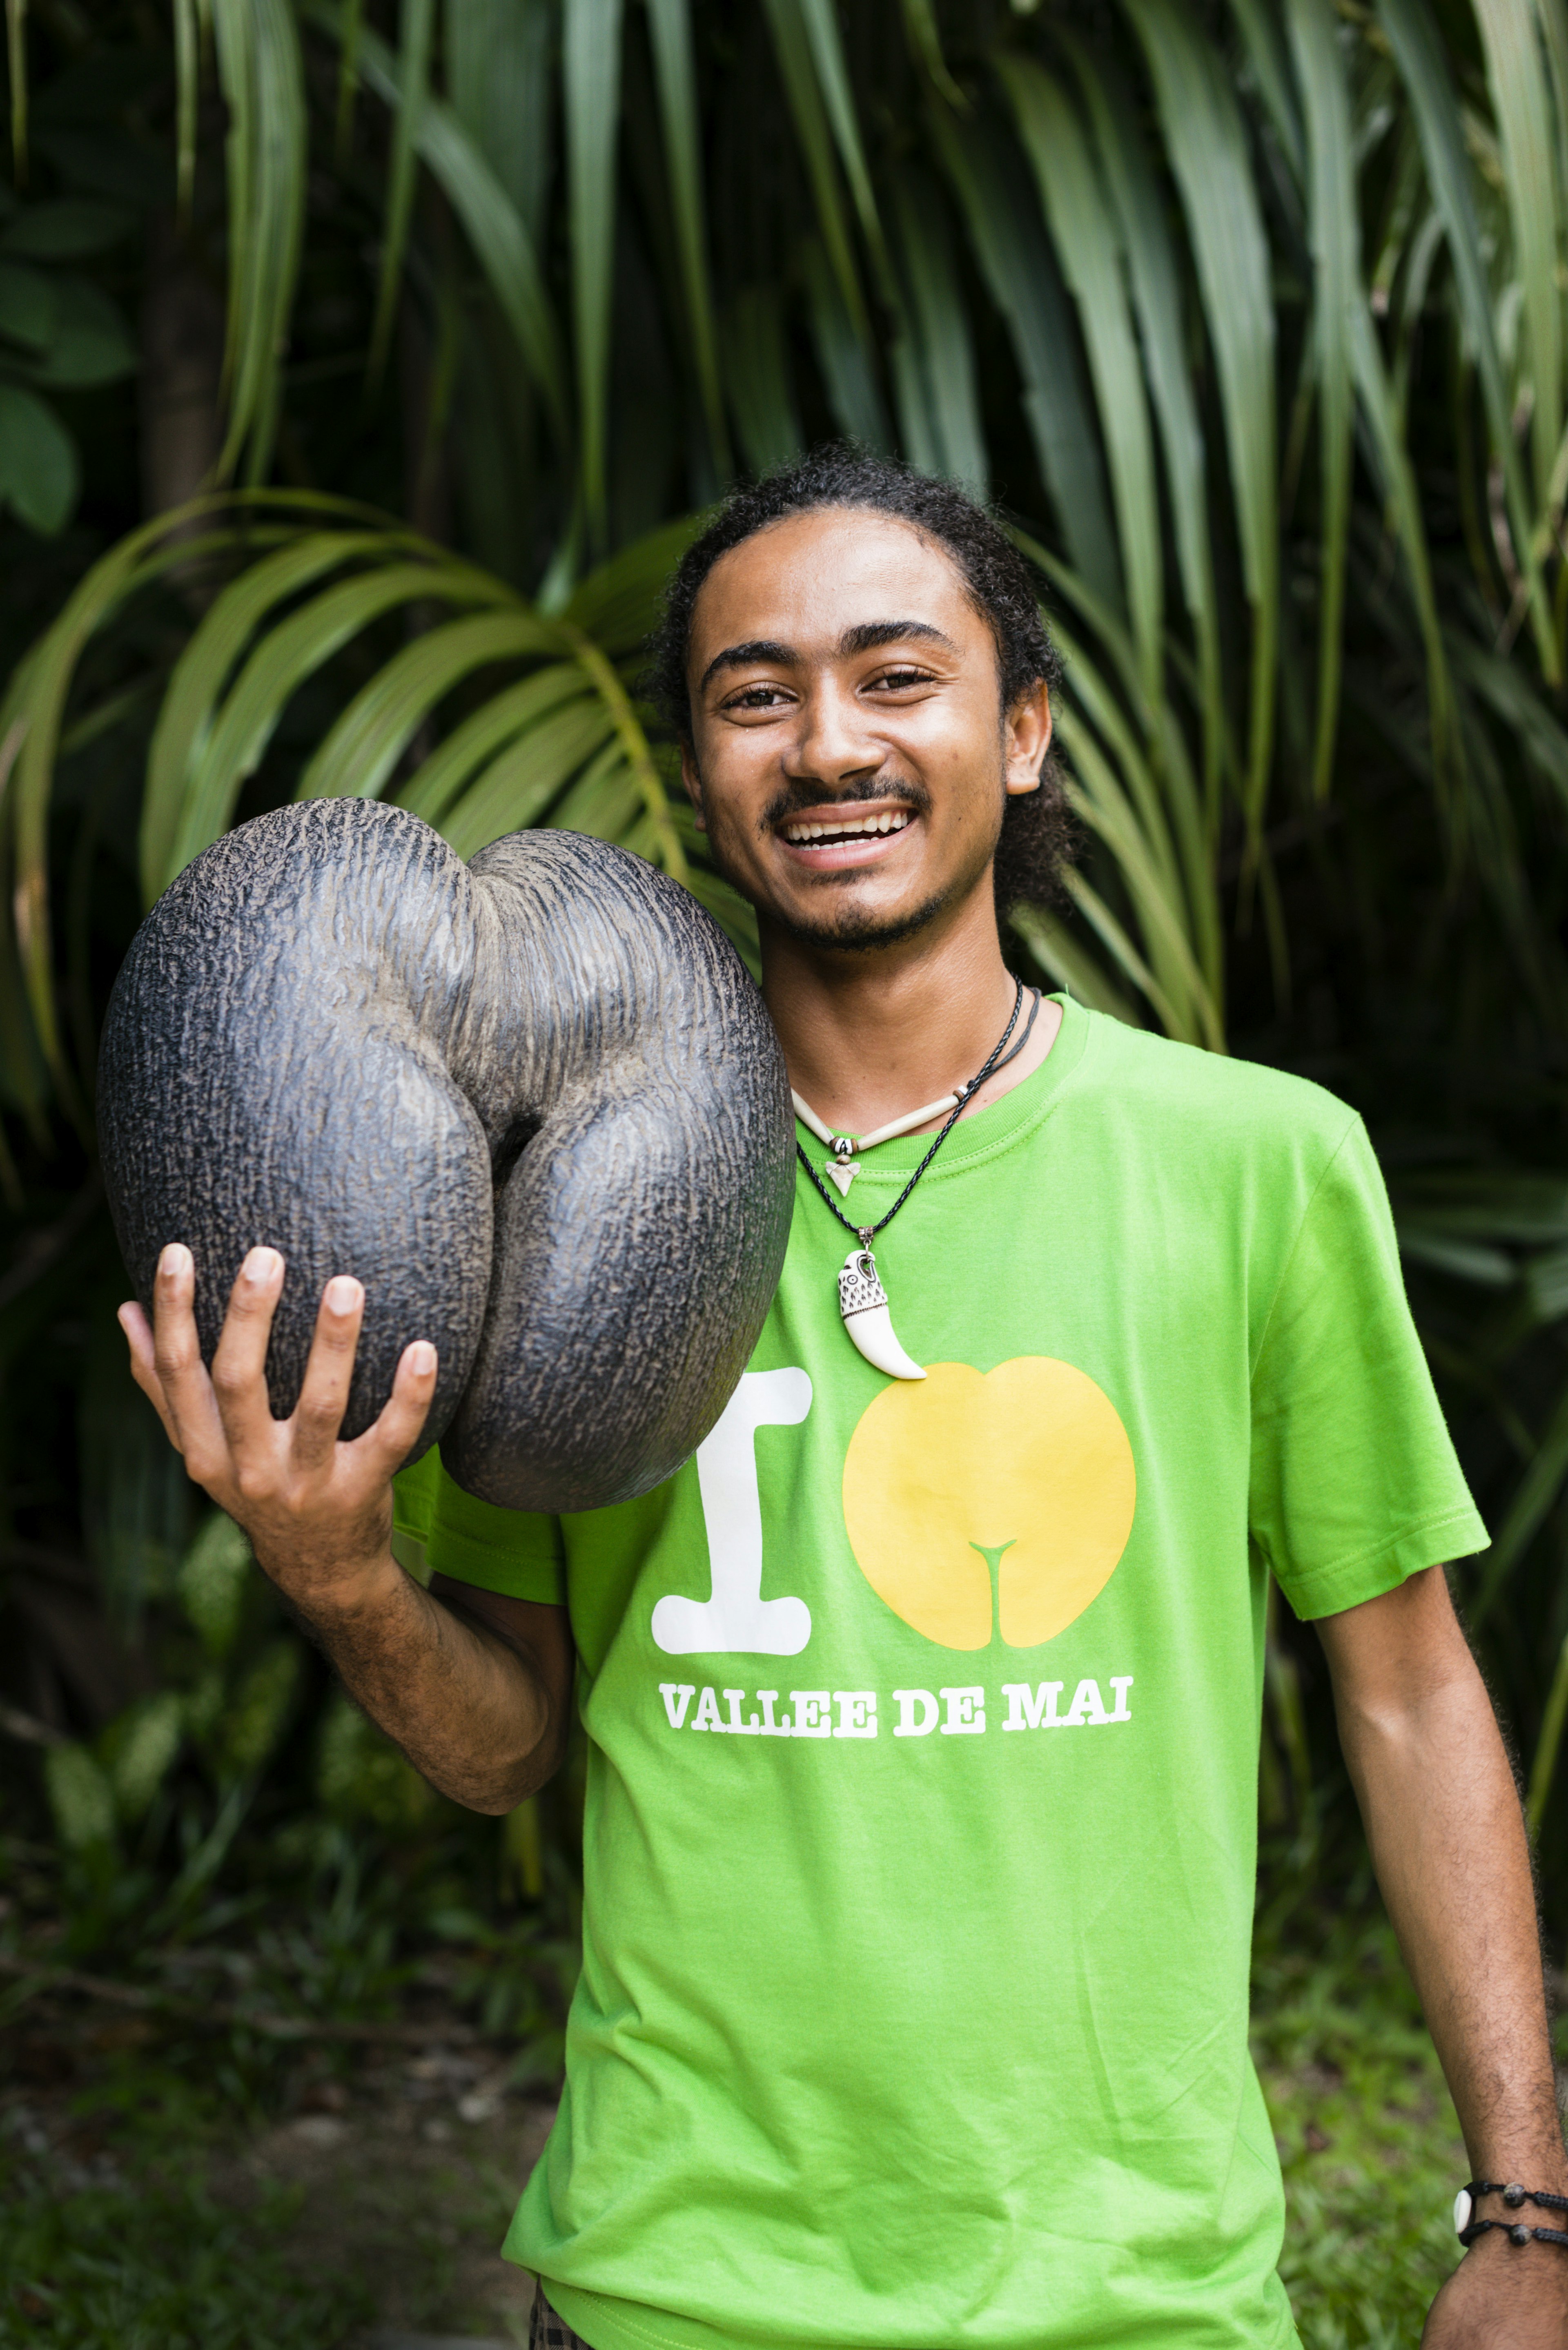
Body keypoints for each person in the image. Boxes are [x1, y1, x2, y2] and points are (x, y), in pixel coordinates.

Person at [120, 447, 1568, 2350]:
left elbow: (1409, 1683)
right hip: (674, 2294)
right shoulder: (529, 1192)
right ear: (702, 776)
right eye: (754, 694)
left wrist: (1526, 2211)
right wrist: (335, 1570)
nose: (826, 744)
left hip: (1136, 2305)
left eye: (897, 676)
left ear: (1024, 732)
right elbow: (504, 1746)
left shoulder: (1256, 1162)